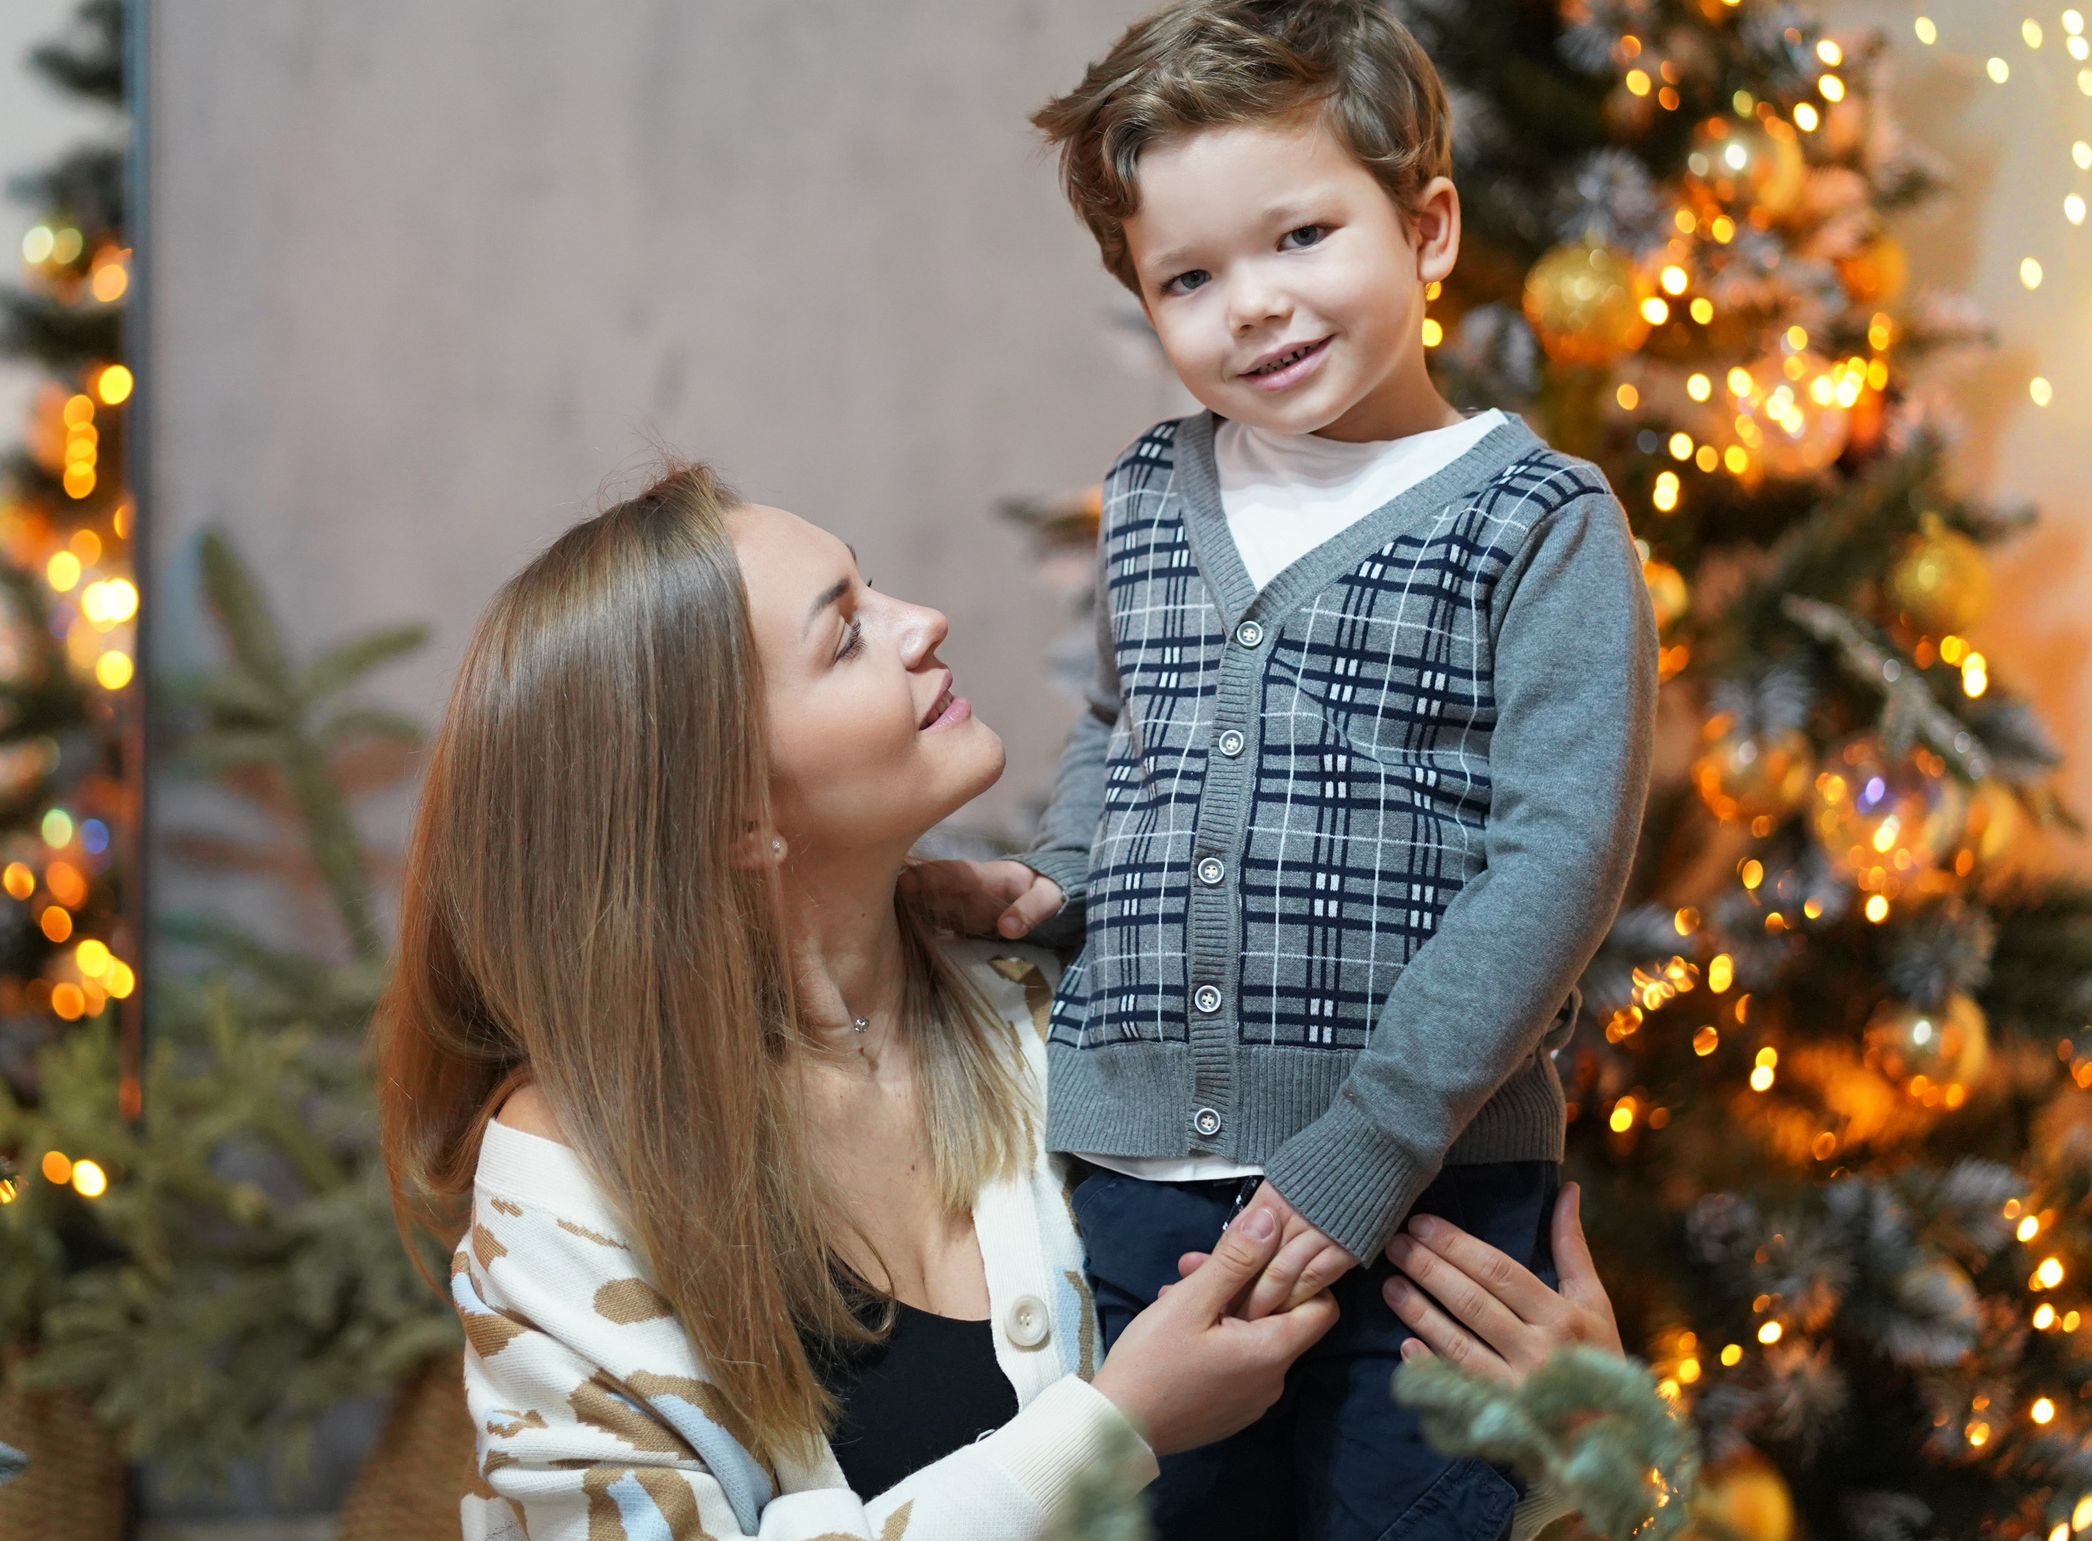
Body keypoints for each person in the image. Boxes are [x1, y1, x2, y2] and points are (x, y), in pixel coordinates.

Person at [381, 465, 1625, 1541]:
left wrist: (1578, 1474)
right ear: (734, 816)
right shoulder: (569, 1187)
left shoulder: (1064, 1010)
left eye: (872, 588)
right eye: (845, 634)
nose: (922, 622)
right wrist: (1111, 1432)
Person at [906, 0, 1656, 1541]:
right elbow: (1130, 728)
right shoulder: (1156, 489)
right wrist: (1057, 880)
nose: (1249, 303)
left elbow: (1559, 862)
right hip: (1141, 1175)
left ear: (1427, 229)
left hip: (1434, 1188)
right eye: (1187, 277)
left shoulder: (1539, 522)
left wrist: (1363, 1149)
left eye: (1301, 237)